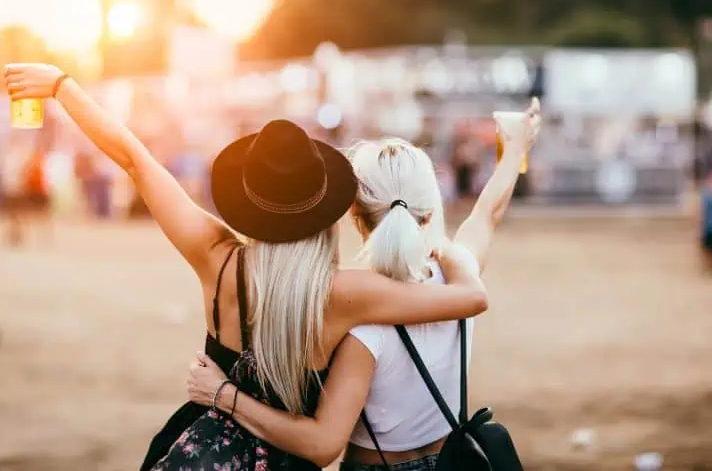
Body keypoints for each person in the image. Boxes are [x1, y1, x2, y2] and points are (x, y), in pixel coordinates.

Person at [4, 63, 491, 471]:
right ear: (327, 210)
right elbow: (471, 298)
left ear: (248, 201)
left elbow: (135, 159)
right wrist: (445, 247)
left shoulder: (216, 256)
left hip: (199, 453)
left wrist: (61, 86)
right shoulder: (346, 293)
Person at [184, 100, 541, 470]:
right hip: (453, 461)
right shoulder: (456, 277)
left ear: (354, 214)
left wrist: (223, 395)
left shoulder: (360, 321)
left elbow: (323, 442)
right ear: (430, 210)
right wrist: (516, 147)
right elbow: (487, 214)